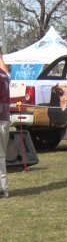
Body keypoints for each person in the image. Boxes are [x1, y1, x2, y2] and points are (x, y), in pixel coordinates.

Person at [0, 53, 10, 199]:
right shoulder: (5, 75)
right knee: (1, 155)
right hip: (5, 118)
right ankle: (3, 188)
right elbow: (5, 69)